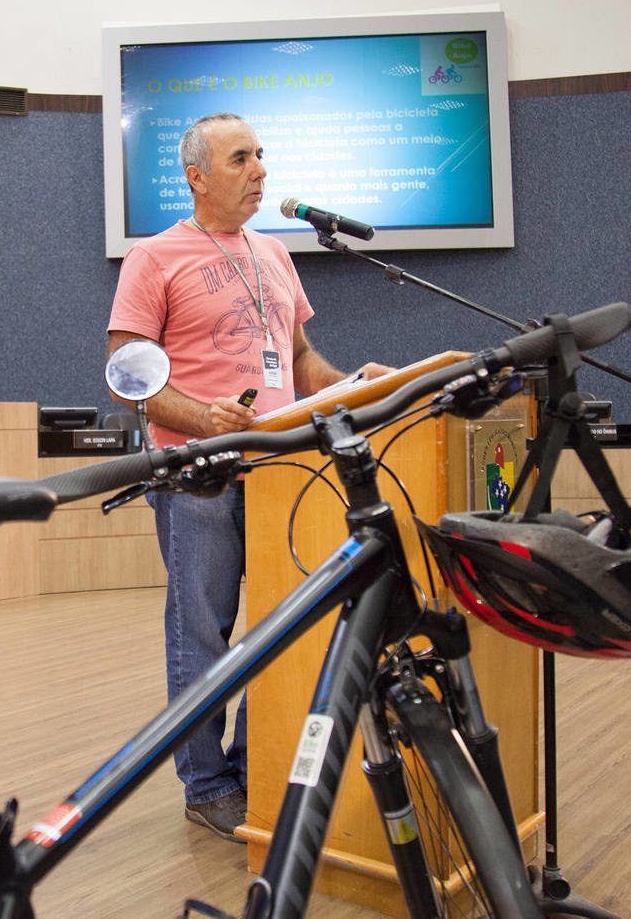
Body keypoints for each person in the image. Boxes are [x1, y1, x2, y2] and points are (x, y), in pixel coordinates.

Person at [105, 112, 390, 839]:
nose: (259, 168)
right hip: (197, 474)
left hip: (279, 473)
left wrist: (356, 382)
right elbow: (127, 374)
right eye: (240, 158)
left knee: (277, 627)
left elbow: (300, 367)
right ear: (197, 177)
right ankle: (206, 783)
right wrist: (201, 418)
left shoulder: (274, 255)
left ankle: (254, 765)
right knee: (201, 629)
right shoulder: (155, 256)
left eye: (261, 154)